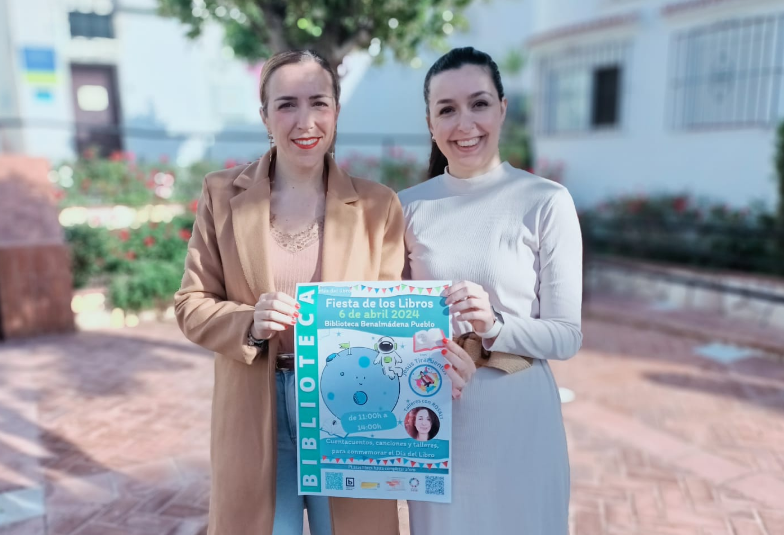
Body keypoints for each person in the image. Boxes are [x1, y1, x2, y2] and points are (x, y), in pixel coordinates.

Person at [175, 50, 404, 535]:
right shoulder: (221, 195)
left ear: (336, 111)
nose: (305, 121)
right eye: (286, 105)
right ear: (264, 117)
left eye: (319, 103)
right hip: (256, 402)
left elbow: (394, 323)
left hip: (348, 406)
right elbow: (191, 304)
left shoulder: (378, 206)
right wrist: (248, 324)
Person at [398, 47, 583, 535]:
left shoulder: (545, 200)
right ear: (430, 121)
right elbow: (392, 322)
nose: (465, 124)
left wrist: (495, 326)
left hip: (522, 419)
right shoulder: (407, 208)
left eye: (479, 104)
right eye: (447, 109)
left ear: (502, 108)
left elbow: (566, 336)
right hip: (436, 419)